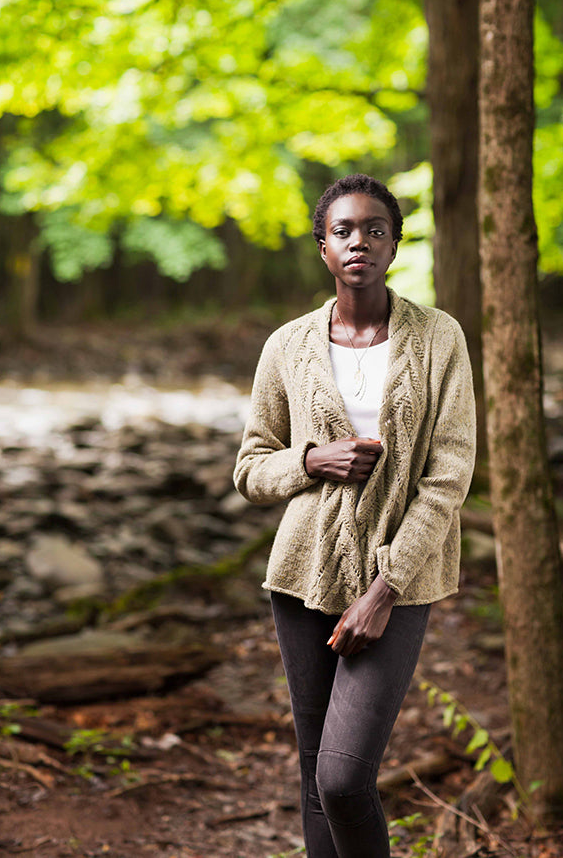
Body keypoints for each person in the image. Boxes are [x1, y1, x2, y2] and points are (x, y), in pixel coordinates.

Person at [233, 173, 476, 857]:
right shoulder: (288, 346)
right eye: (344, 230)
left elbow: (450, 473)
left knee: (343, 778)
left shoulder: (438, 338)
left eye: (375, 228)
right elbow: (251, 468)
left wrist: (383, 589)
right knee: (315, 781)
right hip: (301, 579)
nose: (360, 241)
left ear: (394, 244)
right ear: (323, 248)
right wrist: (311, 460)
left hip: (396, 586)